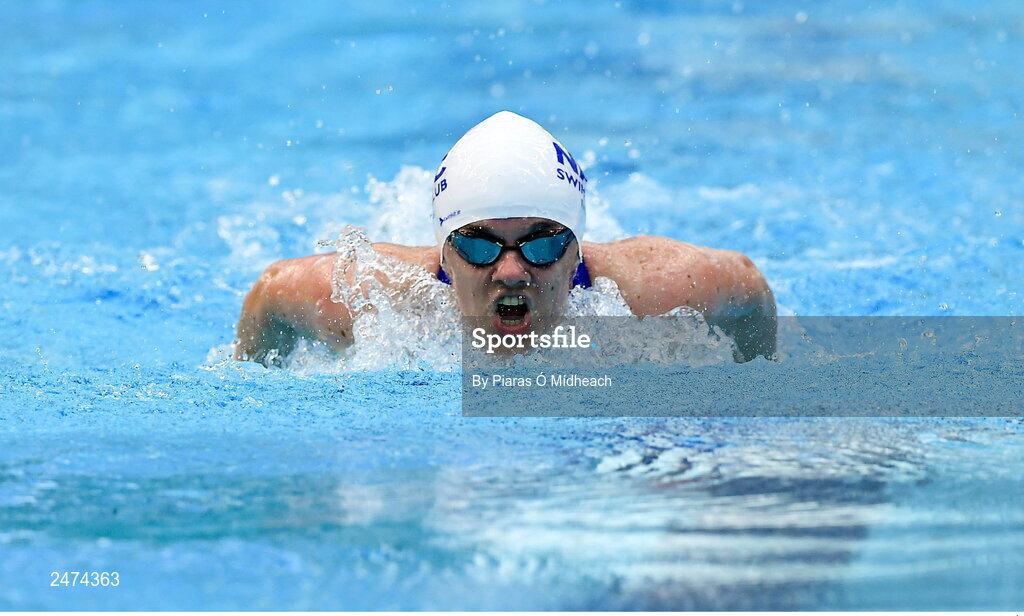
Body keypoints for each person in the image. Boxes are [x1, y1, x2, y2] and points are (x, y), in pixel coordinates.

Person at [234, 111, 776, 364]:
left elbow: (748, 289)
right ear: (445, 251)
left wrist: (753, 383)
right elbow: (270, 291)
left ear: (577, 253)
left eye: (542, 244)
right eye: (478, 245)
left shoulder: (655, 292)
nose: (512, 271)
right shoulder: (373, 299)